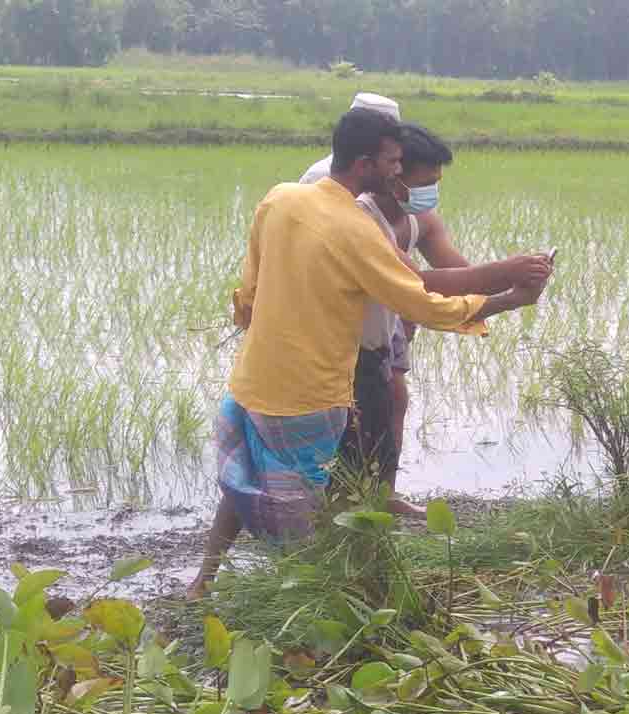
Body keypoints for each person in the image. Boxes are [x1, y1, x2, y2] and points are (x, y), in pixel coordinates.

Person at [187, 108, 551, 599]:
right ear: (364, 164)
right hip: (308, 398)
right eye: (393, 163)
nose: (398, 172)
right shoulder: (356, 230)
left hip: (249, 382)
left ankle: (203, 583)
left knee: (240, 485)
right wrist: (510, 298)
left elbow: (248, 293)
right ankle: (306, 605)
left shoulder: (279, 198)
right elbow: (419, 300)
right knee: (305, 516)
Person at [300, 96, 549, 516]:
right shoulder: (352, 213)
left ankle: (378, 503)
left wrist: (515, 276)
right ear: (384, 169)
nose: (428, 189)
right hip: (342, 339)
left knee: (387, 408)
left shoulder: (419, 217)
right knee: (346, 437)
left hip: (383, 328)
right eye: (398, 164)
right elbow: (419, 288)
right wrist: (507, 286)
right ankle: (335, 522)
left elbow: (453, 276)